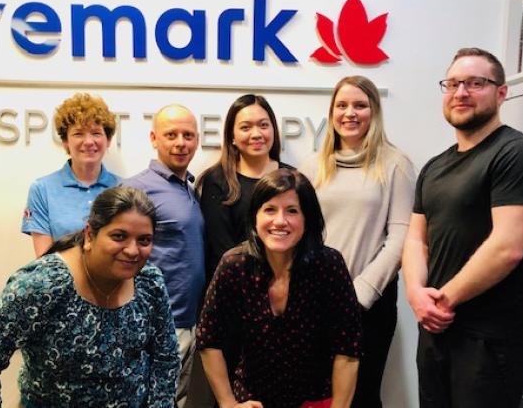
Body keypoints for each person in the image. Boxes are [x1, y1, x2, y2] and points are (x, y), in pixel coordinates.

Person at [402, 47, 523, 407]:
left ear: (501, 92)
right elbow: (416, 240)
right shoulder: (435, 166)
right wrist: (415, 293)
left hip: (489, 338)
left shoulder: (517, 154)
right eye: (453, 84)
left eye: (475, 83)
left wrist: (443, 302)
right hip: (437, 330)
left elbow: (507, 247)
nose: (461, 93)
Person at [0, 186, 180, 407]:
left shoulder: (149, 283)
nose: (132, 250)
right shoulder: (43, 286)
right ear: (90, 235)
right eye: (119, 236)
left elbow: (166, 357)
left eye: (144, 240)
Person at [197, 169, 362, 408]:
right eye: (270, 209)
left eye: (292, 211)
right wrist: (228, 404)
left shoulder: (329, 266)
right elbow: (208, 338)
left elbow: (347, 349)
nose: (280, 221)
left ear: (307, 218)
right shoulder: (235, 265)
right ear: (255, 216)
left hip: (316, 400)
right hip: (253, 400)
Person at [300, 75, 415, 408]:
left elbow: (400, 237)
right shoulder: (312, 166)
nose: (349, 113)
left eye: (359, 105)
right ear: (332, 112)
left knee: (361, 396)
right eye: (342, 105)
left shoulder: (395, 164)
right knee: (316, 396)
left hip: (369, 304)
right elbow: (301, 233)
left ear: (374, 111)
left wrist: (357, 296)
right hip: (316, 301)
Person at [123, 104, 209, 408]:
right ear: (154, 138)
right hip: (154, 326)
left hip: (190, 322)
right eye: (171, 135)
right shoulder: (136, 189)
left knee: (177, 399)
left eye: (188, 135)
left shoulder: (191, 188)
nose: (181, 143)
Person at [197, 94, 293, 283]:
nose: (256, 134)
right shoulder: (217, 181)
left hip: (287, 286)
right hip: (236, 287)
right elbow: (220, 251)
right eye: (245, 127)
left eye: (263, 125)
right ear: (232, 136)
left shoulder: (293, 179)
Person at [22, 93, 119, 257]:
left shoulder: (124, 188)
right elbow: (44, 261)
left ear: (108, 140)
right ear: (65, 142)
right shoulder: (42, 190)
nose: (88, 142)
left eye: (96, 133)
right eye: (78, 134)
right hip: (62, 274)